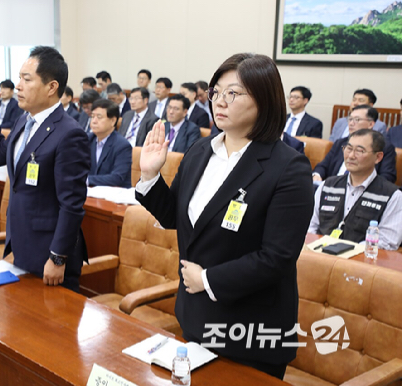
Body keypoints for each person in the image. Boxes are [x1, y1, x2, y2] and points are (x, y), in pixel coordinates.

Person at [136, 53, 314, 379]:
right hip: (195, 315)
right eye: (216, 91)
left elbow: (278, 257)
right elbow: (178, 216)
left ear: (264, 99)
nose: (219, 101)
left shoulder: (288, 167)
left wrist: (207, 280)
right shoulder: (202, 151)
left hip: (249, 329)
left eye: (233, 93)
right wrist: (149, 176)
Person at [0, 46, 90, 292]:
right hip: (22, 243)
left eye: (26, 79)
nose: (18, 85)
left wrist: (58, 256)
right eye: (19, 78)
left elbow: (71, 204)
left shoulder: (69, 134)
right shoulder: (25, 120)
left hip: (49, 252)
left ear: (51, 87)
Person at [309, 129, 402, 250]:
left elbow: (387, 242)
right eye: (348, 148)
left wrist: (345, 250)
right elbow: (310, 227)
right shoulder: (327, 186)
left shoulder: (392, 196)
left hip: (361, 263)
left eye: (359, 150)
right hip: (320, 256)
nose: (351, 156)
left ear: (378, 157)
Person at [313, 105, 397, 184]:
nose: (351, 123)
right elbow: (323, 166)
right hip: (333, 188)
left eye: (357, 120)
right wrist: (317, 175)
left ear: (371, 124)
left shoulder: (384, 146)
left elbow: (388, 176)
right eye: (350, 119)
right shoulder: (340, 143)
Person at [87, 99, 132, 188]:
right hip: (90, 193)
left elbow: (117, 178)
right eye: (92, 116)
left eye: (99, 117)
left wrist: (86, 180)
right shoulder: (87, 140)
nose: (94, 121)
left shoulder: (122, 145)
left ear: (113, 121)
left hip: (115, 196)